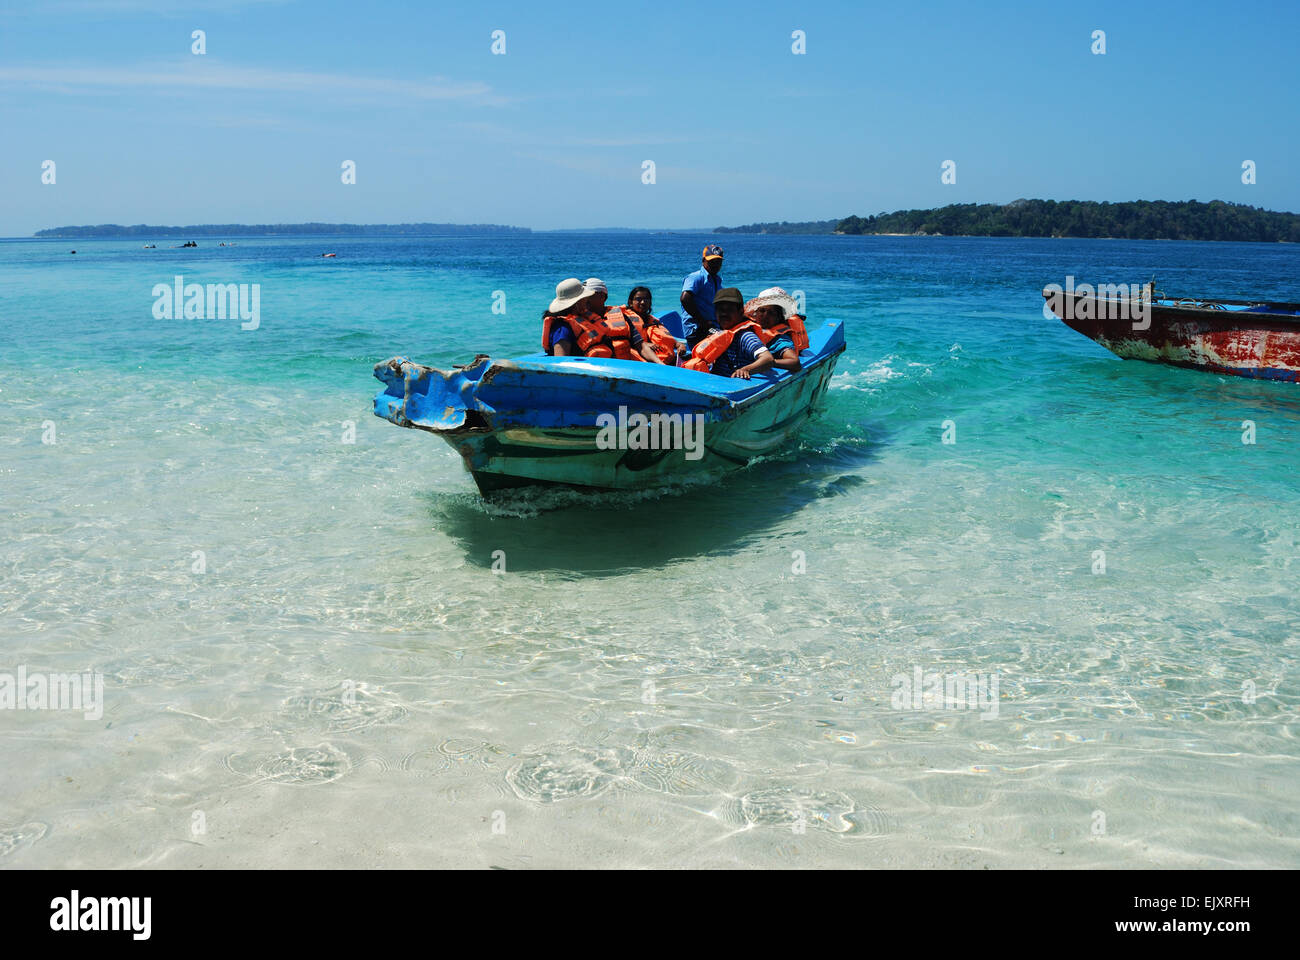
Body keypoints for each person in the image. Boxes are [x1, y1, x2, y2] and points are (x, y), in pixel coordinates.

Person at [541, 278, 640, 360]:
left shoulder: (582, 319)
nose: (587, 300)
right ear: (577, 303)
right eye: (585, 297)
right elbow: (561, 362)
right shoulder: (562, 328)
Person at [610, 286, 687, 364]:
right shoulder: (624, 318)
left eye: (646, 299)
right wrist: (645, 344)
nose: (643, 302)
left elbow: (668, 338)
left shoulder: (653, 321)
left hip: (664, 360)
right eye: (638, 299)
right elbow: (620, 341)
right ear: (630, 302)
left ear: (650, 303)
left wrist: (679, 345)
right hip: (640, 361)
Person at [680, 245, 724, 348]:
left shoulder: (717, 280)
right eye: (712, 261)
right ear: (703, 260)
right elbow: (685, 298)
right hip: (697, 328)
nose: (715, 265)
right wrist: (703, 322)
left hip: (711, 326)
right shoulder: (696, 277)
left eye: (718, 262)